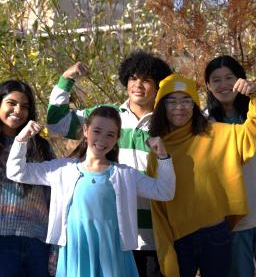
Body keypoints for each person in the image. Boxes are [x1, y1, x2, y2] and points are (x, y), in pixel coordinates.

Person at [6, 106, 176, 277]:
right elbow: (16, 172)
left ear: (117, 138)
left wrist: (163, 157)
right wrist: (22, 139)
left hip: (113, 251)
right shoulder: (62, 169)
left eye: (110, 134)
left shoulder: (125, 174)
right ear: (86, 130)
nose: (102, 139)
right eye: (97, 131)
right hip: (76, 249)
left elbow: (164, 191)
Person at [47, 50, 172, 276]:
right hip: (112, 237)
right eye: (133, 78)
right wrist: (67, 79)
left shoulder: (168, 122)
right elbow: (57, 123)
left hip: (153, 234)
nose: (138, 85)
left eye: (146, 80)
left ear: (158, 86)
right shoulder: (106, 116)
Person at [147, 73, 256, 277]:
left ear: (195, 105)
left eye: (187, 100)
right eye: (171, 101)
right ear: (161, 107)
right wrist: (166, 254)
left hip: (215, 235)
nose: (180, 107)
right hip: (179, 239)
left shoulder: (219, 133)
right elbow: (158, 209)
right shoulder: (158, 149)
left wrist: (255, 95)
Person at [205, 55, 256, 277]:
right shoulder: (204, 124)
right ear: (208, 86)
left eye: (230, 77)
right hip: (231, 223)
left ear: (242, 79)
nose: (224, 85)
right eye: (216, 79)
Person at [0, 80, 55, 277]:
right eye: (11, 103)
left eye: (24, 106)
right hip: (3, 241)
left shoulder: (41, 147)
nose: (18, 110)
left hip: (37, 241)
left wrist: (54, 245)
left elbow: (53, 195)